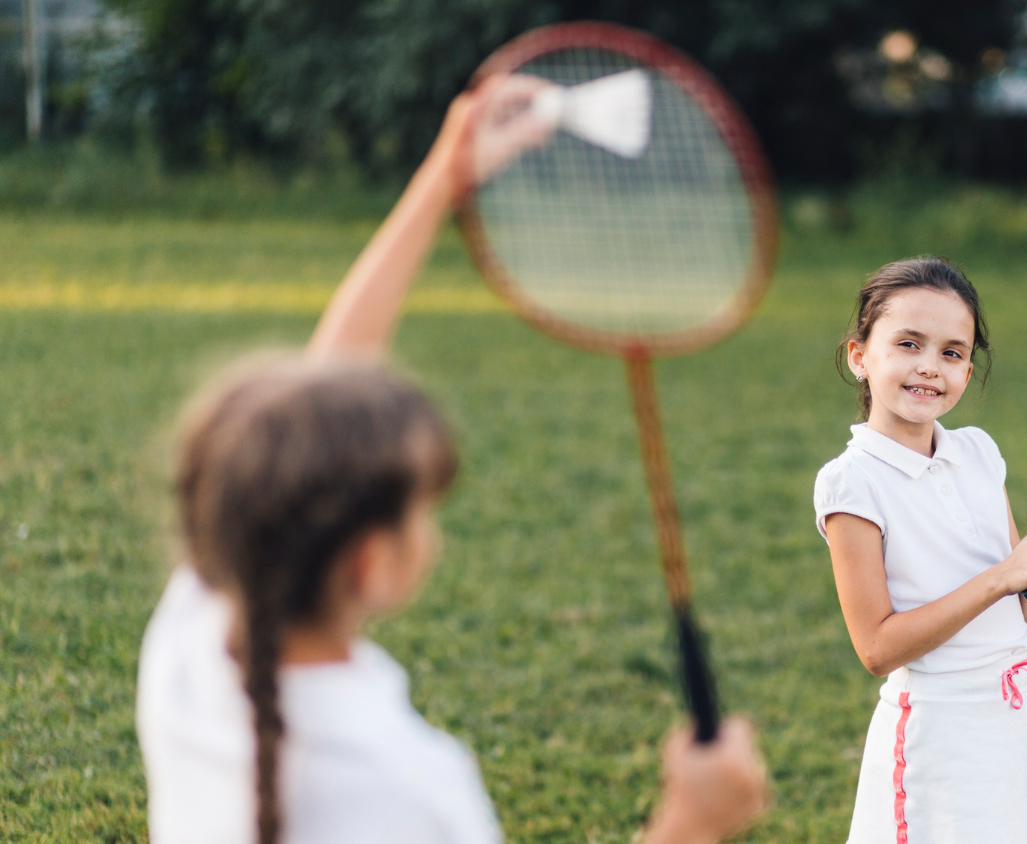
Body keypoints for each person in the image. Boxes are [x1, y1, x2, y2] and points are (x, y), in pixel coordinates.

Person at [136, 71, 768, 844]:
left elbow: (320, 403)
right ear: (372, 563)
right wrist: (690, 825)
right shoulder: (405, 785)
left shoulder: (187, 660)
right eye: (424, 509)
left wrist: (443, 181)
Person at [813, 257, 1027, 843]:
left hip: (1006, 727)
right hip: (934, 743)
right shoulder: (851, 484)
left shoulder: (979, 452)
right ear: (860, 357)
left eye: (951, 352)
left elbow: (1022, 610)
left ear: (969, 368)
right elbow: (876, 648)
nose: (929, 368)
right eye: (908, 344)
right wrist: (1000, 576)